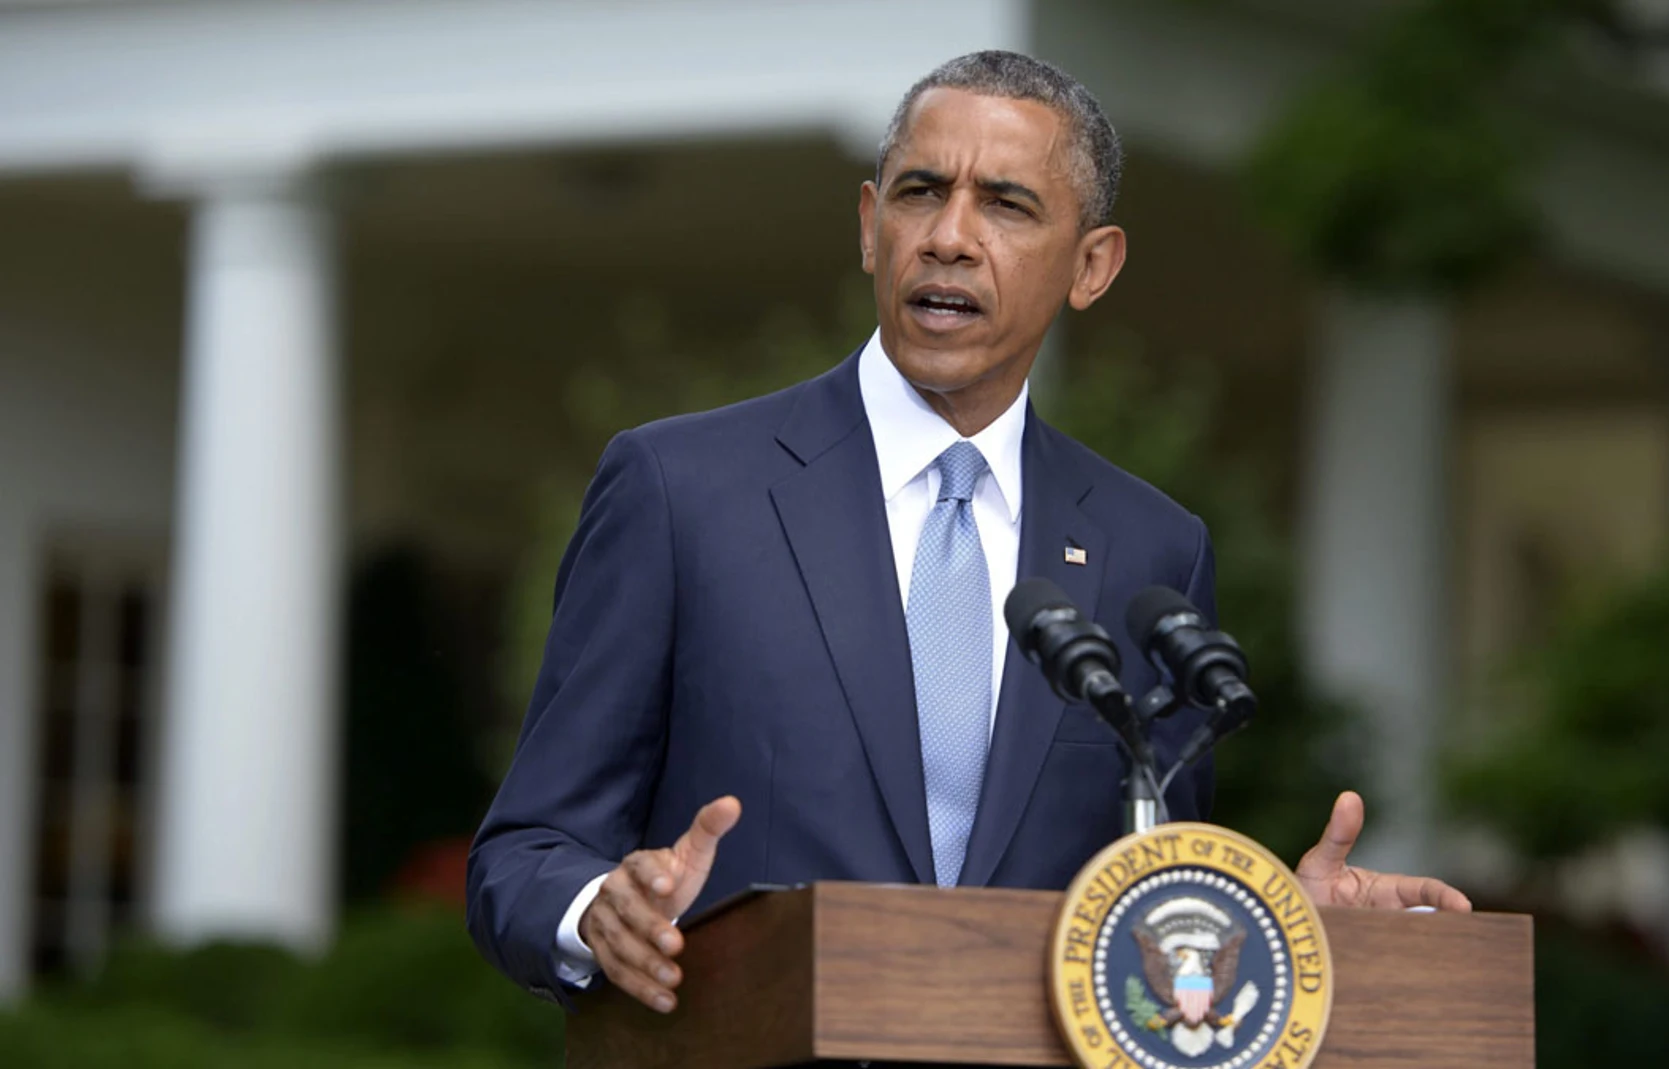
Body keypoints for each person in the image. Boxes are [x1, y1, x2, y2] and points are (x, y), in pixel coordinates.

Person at [466, 50, 1470, 1014]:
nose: (948, 235)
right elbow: (524, 852)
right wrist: (599, 910)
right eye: (917, 192)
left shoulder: (1148, 550)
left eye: (1005, 203)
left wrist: (1285, 925)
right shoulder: (681, 491)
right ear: (869, 226)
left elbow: (1146, 921)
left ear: (1091, 266)